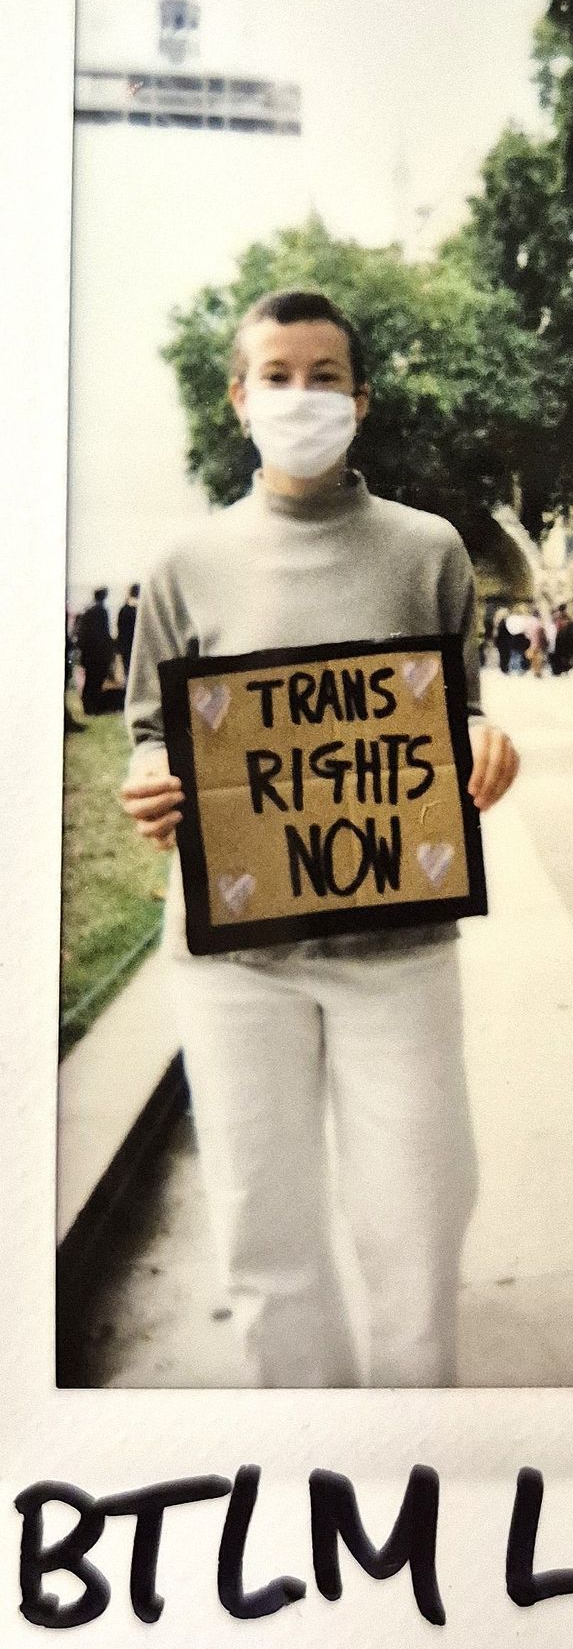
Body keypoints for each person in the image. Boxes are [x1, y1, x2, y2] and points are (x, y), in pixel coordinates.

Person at [119, 289, 519, 1388]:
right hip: (235, 962)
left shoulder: (428, 550)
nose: (302, 396)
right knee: (266, 1234)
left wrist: (481, 745)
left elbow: (453, 707)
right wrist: (151, 778)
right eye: (278, 376)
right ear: (239, 398)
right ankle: (309, 1444)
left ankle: (415, 1441)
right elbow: (152, 728)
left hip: (401, 951)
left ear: (361, 399)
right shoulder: (183, 564)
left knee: (421, 1223)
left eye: (325, 376)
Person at [74, 587, 114, 715]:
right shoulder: (101, 611)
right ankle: (93, 706)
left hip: (88, 653)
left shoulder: (87, 610)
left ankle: (88, 705)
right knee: (96, 680)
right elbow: (104, 633)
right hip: (98, 653)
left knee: (90, 680)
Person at [115, 583, 140, 681]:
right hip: (136, 645)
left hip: (125, 645)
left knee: (127, 671)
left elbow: (120, 628)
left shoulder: (124, 609)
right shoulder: (139, 609)